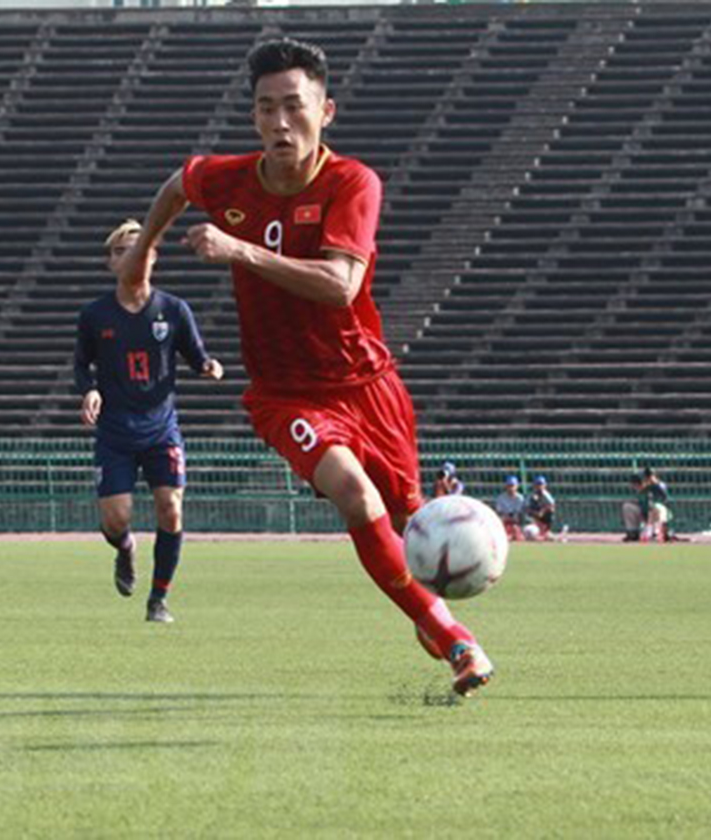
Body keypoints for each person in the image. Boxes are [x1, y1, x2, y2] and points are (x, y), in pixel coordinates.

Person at [115, 38, 492, 696]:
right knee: (354, 496)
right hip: (288, 394)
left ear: (326, 110)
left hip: (368, 384)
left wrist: (239, 250)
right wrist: (142, 254)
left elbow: (341, 285)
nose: (279, 122)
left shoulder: (352, 183)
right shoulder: (229, 178)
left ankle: (422, 609)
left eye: (294, 106)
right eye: (266, 109)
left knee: (409, 524)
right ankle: (455, 636)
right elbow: (179, 184)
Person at [74, 219, 224, 623]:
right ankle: (124, 548)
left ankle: (158, 599)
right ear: (111, 262)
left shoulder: (173, 310)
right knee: (115, 519)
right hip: (115, 432)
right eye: (121, 250)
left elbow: (196, 356)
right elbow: (81, 365)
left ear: (153, 258)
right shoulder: (95, 315)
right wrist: (89, 389)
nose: (132, 256)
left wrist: (209, 366)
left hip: (161, 428)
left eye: (140, 249)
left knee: (171, 509)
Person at [524, 475, 556, 541]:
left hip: (542, 516)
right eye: (538, 484)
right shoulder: (531, 495)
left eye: (541, 484)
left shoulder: (546, 495)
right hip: (532, 516)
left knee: (550, 512)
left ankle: (546, 531)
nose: (539, 487)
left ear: (545, 485)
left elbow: (552, 505)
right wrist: (534, 513)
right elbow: (526, 508)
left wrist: (542, 511)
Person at [494, 475, 526, 541]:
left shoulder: (520, 498)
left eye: (512, 486)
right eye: (509, 486)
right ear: (506, 486)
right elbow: (499, 512)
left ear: (517, 486)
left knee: (516, 530)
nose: (511, 488)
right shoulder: (501, 498)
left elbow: (518, 514)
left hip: (516, 522)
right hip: (504, 521)